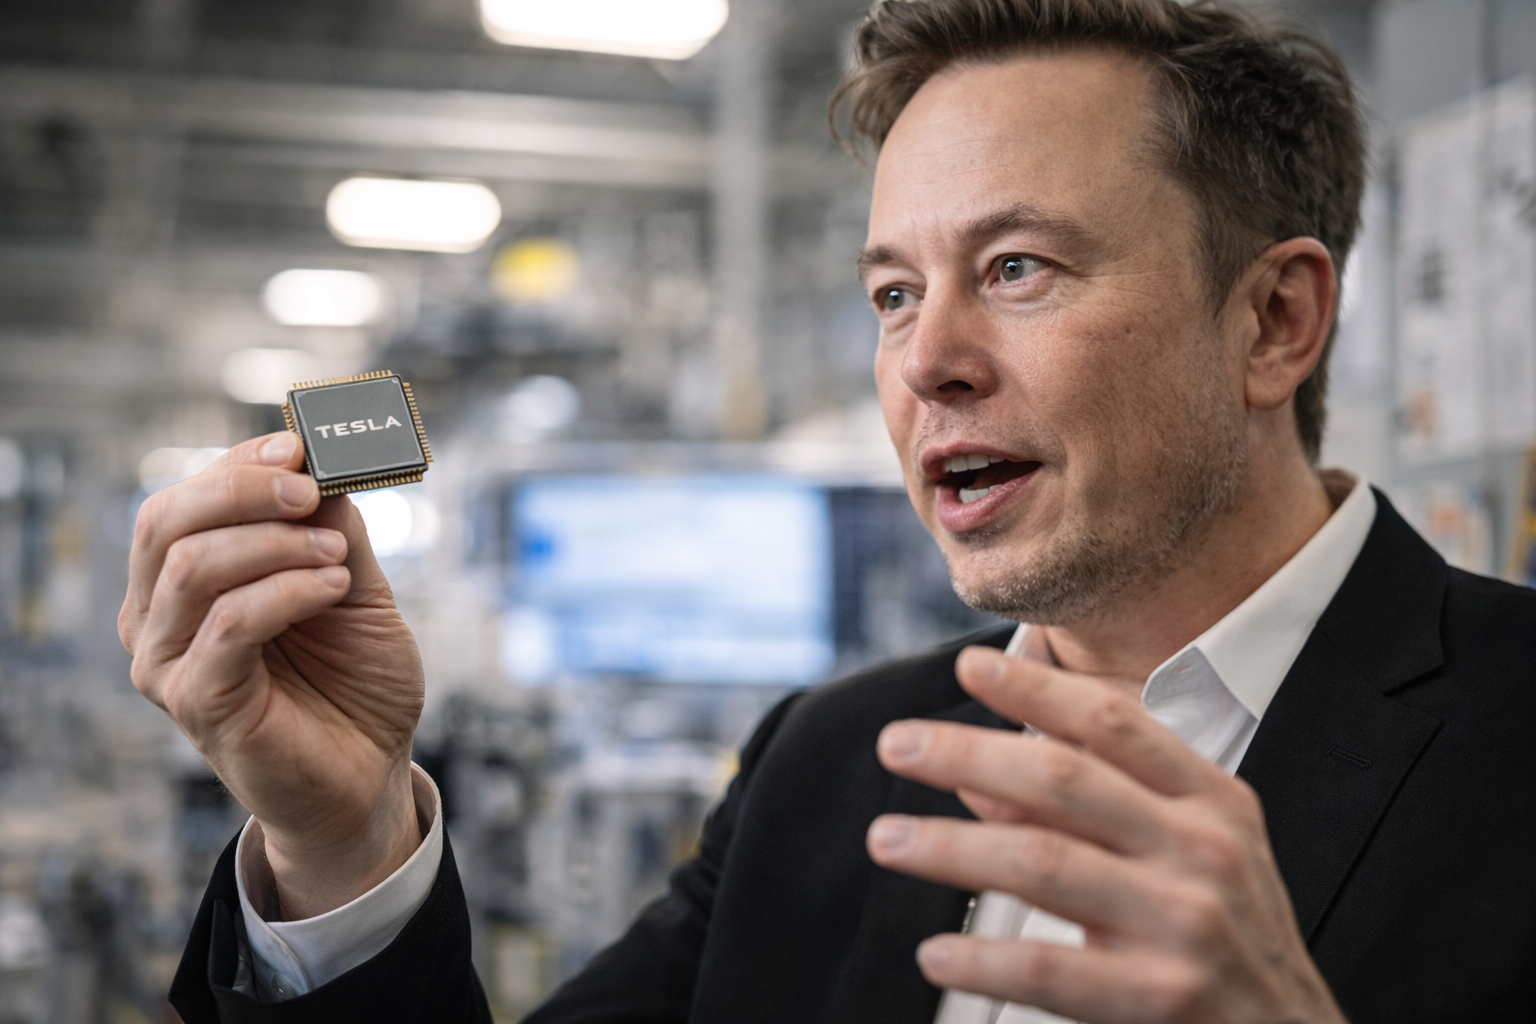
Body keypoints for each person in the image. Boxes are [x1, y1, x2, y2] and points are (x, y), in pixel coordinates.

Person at [122, 0, 1536, 1021]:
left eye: (1020, 267)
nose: (927, 362)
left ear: (1275, 320)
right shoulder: (832, 764)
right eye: (895, 294)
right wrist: (345, 842)